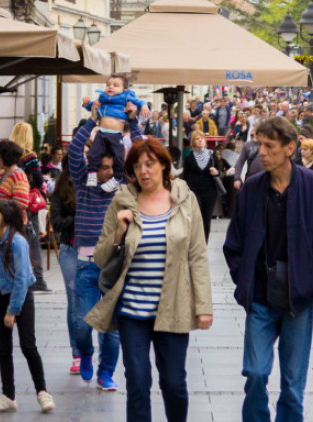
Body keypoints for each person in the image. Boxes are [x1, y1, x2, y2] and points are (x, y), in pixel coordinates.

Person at [223, 116, 313, 422]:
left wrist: (310, 279)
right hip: (260, 297)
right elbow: (233, 244)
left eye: (269, 146)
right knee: (255, 372)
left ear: (290, 148)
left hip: (297, 300)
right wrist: (245, 278)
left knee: (292, 386)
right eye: (259, 144)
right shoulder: (251, 189)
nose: (261, 152)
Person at [86, 137, 213, 422]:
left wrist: (204, 306)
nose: (143, 171)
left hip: (174, 307)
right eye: (137, 166)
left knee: (174, 383)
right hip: (133, 312)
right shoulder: (122, 201)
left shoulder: (185, 200)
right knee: (138, 384)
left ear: (164, 165)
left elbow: (197, 256)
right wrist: (119, 233)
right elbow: (101, 257)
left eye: (149, 164)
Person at [68, 110, 143, 389]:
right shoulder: (83, 183)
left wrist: (133, 123)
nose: (109, 172)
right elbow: (75, 150)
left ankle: (106, 372)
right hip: (86, 264)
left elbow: (141, 154)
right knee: (82, 324)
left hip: (114, 265)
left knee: (112, 329)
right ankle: (86, 352)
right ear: (93, 166)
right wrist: (92, 121)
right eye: (103, 167)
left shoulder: (121, 187)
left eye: (112, 167)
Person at [0, 198, 54, 413]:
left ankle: (43, 392)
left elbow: (22, 279)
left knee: (28, 346)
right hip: (0, 296)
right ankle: (8, 396)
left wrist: (12, 311)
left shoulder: (17, 242)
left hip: (22, 297)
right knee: (3, 349)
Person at [9, 123, 50, 292]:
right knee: (33, 242)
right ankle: (37, 279)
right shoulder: (29, 156)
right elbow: (38, 179)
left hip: (12, 201)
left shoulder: (10, 156)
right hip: (27, 202)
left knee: (16, 240)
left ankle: (18, 276)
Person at [49, 161, 80, 375]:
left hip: (97, 249)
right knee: (74, 302)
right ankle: (78, 354)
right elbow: (57, 223)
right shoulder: (60, 191)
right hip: (70, 249)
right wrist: (79, 218)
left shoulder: (97, 185)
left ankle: (102, 356)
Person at [82, 75, 147, 176]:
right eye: (108, 85)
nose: (110, 87)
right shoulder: (103, 98)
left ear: (124, 90)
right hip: (102, 132)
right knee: (94, 153)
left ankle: (118, 177)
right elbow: (93, 106)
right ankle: (92, 173)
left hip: (116, 134)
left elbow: (139, 102)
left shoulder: (125, 98)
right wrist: (86, 104)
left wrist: (144, 106)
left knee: (119, 156)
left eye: (115, 85)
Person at [180, 130, 219, 242]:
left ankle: (204, 243)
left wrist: (216, 172)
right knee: (196, 218)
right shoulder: (189, 157)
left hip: (210, 191)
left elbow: (219, 171)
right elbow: (185, 176)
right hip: (194, 191)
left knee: (207, 218)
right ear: (193, 142)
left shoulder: (212, 154)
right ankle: (195, 242)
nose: (200, 140)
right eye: (197, 139)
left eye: (202, 138)